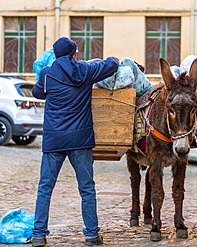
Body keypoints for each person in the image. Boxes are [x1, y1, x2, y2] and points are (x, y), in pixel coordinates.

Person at [31, 37, 119, 247]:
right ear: (74, 53)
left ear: (55, 54)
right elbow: (111, 66)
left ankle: (38, 235)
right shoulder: (85, 71)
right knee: (87, 188)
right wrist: (114, 59)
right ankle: (91, 235)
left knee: (45, 188)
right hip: (80, 140)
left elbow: (37, 93)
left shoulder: (47, 74)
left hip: (54, 140)